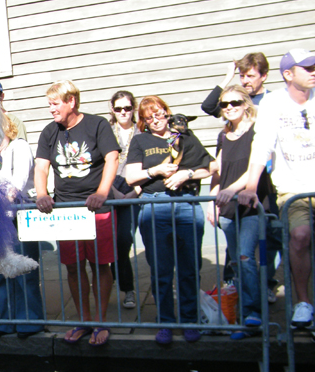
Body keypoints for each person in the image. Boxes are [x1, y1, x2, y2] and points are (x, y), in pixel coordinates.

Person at [34, 79, 120, 347]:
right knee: (73, 267)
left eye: (55, 103)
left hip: (96, 209)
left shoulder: (97, 125)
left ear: (71, 101)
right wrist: (41, 194)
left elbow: (112, 158)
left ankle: (100, 321)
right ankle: (83, 320)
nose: (51, 109)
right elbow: (41, 167)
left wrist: (103, 193)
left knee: (99, 265)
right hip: (66, 211)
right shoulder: (50, 132)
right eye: (49, 104)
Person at [124, 96, 213, 345]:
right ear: (143, 121)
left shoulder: (184, 136)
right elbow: (131, 177)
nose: (156, 120)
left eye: (159, 114)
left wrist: (188, 173)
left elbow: (210, 166)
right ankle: (165, 321)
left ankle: (189, 319)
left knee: (189, 267)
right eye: (149, 117)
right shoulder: (141, 140)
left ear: (167, 112)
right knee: (161, 269)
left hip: (186, 202)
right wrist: (156, 171)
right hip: (155, 203)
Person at [239, 49, 315, 328]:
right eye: (307, 68)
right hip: (293, 190)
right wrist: (250, 186)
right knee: (300, 235)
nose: (313, 71)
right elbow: (262, 145)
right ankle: (303, 302)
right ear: (288, 74)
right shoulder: (273, 103)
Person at [208, 86, 270, 339]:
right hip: (228, 207)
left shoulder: (257, 131)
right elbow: (218, 169)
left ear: (246, 104)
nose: (229, 107)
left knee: (245, 257)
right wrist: (212, 200)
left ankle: (254, 312)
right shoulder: (224, 135)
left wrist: (232, 189)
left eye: (234, 102)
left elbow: (255, 168)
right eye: (224, 104)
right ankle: (244, 317)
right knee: (234, 262)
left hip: (252, 204)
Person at [0, 115, 43, 339]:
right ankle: (7, 319)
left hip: (18, 219)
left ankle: (30, 320)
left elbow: (18, 183)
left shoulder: (19, 147)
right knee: (1, 273)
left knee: (23, 269)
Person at [107, 90, 140, 309]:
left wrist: (135, 191)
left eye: (127, 108)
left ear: (133, 108)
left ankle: (127, 289)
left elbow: (149, 163)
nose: (123, 112)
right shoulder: (107, 132)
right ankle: (112, 283)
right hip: (110, 193)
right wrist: (113, 191)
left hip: (134, 192)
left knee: (124, 240)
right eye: (119, 108)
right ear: (113, 110)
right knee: (109, 242)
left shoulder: (142, 132)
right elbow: (100, 164)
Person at [201, 52, 271, 117]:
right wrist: (228, 78)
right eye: (242, 76)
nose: (245, 81)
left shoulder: (272, 99)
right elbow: (208, 107)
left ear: (263, 76)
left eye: (250, 76)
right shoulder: (235, 101)